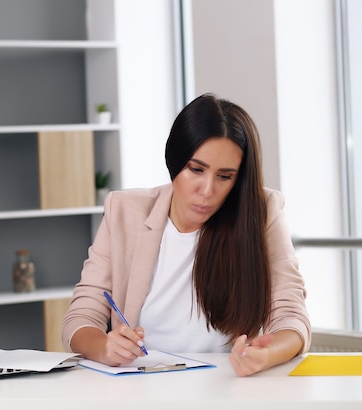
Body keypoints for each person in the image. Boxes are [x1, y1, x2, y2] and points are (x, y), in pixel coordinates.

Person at [61, 93, 310, 377]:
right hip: (140, 386)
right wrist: (104, 347)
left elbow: (292, 316)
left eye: (224, 176)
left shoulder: (261, 212)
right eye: (196, 169)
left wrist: (268, 353)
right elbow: (80, 317)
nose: (207, 190)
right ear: (175, 161)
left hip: (228, 385)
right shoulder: (125, 211)